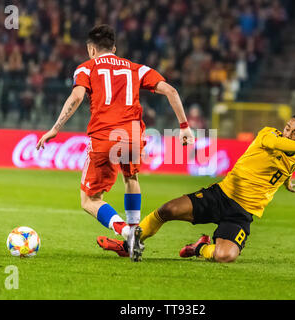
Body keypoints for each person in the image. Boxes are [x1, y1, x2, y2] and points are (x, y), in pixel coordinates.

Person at [36, 25, 194, 261]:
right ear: (115, 48)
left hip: (104, 136)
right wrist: (184, 127)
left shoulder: (86, 68)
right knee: (131, 178)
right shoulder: (136, 68)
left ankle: (128, 231)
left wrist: (55, 129)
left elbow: (77, 96)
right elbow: (171, 91)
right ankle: (134, 235)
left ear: (91, 50)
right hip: (132, 134)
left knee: (90, 200)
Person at [97, 114, 295, 262]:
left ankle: (201, 247)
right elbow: (278, 143)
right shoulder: (268, 134)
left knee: (226, 256)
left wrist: (287, 181)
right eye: (288, 128)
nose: (288, 133)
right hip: (221, 195)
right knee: (168, 209)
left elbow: (285, 166)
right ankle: (130, 244)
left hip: (242, 213)